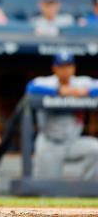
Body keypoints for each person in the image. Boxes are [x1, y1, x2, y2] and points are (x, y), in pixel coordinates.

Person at [26, 50, 98, 180]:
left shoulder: (81, 83)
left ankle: (84, 190)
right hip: (49, 143)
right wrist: (57, 91)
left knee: (95, 149)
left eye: (69, 66)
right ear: (55, 68)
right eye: (62, 67)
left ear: (74, 68)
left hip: (73, 142)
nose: (66, 70)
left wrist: (84, 91)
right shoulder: (46, 82)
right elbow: (30, 88)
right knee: (47, 190)